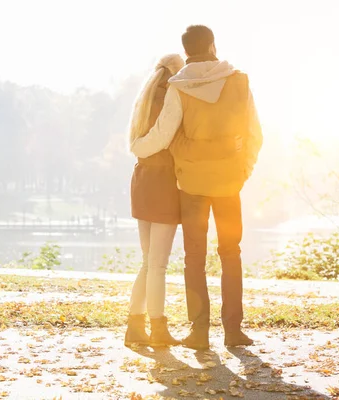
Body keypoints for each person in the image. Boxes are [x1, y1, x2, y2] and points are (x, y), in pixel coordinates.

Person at [130, 25, 263, 349]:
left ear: (186, 51)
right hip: (229, 185)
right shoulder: (239, 81)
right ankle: (233, 331)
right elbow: (254, 133)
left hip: (191, 187)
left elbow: (164, 135)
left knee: (195, 258)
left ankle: (199, 333)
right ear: (213, 46)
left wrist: (137, 147)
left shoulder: (180, 86)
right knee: (231, 255)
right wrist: (243, 171)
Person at [124, 54, 184, 347]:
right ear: (176, 71)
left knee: (149, 262)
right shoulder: (170, 96)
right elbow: (164, 137)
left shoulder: (146, 96)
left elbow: (140, 141)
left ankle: (134, 327)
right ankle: (158, 329)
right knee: (158, 265)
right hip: (163, 181)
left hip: (142, 179)